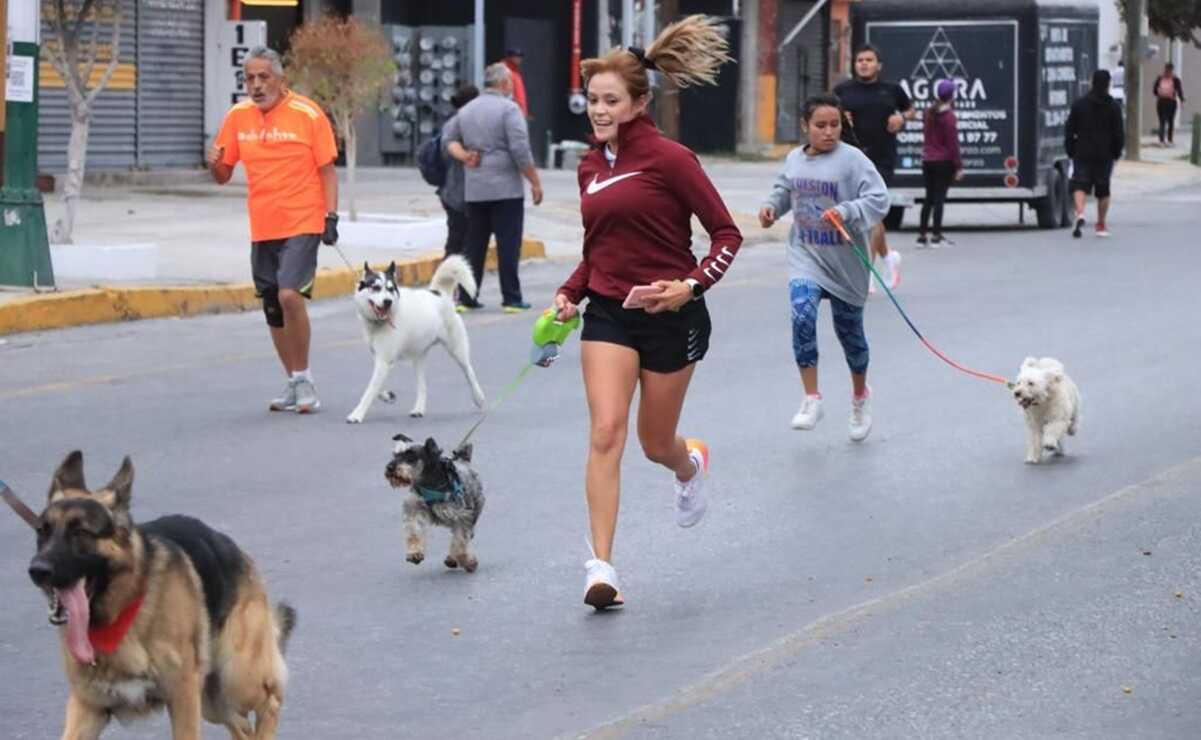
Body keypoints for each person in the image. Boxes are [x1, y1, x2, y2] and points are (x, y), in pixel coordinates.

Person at [552, 15, 741, 610]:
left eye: (611, 100)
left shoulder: (671, 159)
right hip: (609, 314)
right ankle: (601, 567)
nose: (599, 110)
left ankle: (689, 465)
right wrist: (570, 293)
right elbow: (598, 249)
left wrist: (690, 286)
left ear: (639, 103)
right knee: (605, 432)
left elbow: (727, 235)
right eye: (593, 100)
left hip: (672, 317)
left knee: (654, 443)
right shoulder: (589, 166)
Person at [208, 46, 338, 414]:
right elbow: (222, 175)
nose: (256, 85)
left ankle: (305, 377)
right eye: (249, 78)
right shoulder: (237, 117)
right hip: (263, 224)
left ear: (281, 80)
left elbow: (327, 170)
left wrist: (330, 216)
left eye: (263, 77)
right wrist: (213, 163)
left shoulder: (307, 113)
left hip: (304, 219)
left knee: (289, 295)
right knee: (272, 306)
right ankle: (294, 381)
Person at [758, 94, 889, 441]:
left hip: (846, 263)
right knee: (802, 315)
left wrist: (847, 211)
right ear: (805, 126)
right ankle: (812, 398)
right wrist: (771, 208)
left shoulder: (853, 160)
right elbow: (784, 191)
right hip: (807, 256)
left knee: (851, 336)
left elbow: (879, 199)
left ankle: (860, 396)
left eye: (835, 125)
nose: (829, 132)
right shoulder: (794, 159)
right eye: (820, 125)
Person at [444, 63, 543, 313]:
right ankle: (511, 298)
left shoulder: (467, 110)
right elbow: (520, 149)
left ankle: (467, 297)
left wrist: (465, 156)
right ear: (505, 83)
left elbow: (449, 139)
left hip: (475, 189)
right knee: (508, 244)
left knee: (474, 244)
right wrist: (534, 181)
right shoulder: (509, 109)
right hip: (506, 190)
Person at [834, 44, 913, 290]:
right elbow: (826, 114)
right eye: (860, 60)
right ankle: (888, 257)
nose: (864, 64)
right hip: (850, 159)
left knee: (871, 214)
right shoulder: (843, 90)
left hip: (881, 159)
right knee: (861, 216)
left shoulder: (892, 90)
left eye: (869, 60)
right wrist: (840, 118)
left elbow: (911, 111)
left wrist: (901, 117)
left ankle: (865, 272)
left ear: (878, 65)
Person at [1065, 69, 1124, 239]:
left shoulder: (1079, 105)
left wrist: (1070, 149)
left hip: (1082, 151)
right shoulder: (1114, 107)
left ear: (1092, 82)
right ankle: (1101, 224)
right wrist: (1117, 152)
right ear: (1108, 84)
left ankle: (1080, 213)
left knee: (1079, 184)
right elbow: (1119, 133)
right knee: (1103, 190)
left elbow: (1069, 129)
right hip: (1105, 153)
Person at [917, 79, 964, 247]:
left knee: (928, 198)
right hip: (944, 162)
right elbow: (953, 144)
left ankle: (922, 236)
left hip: (927, 160)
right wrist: (958, 166)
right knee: (939, 199)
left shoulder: (927, 113)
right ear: (952, 96)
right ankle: (936, 236)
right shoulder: (949, 117)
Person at [438, 84, 479, 267]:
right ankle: (447, 280)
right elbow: (449, 148)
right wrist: (466, 156)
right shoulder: (458, 123)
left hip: (453, 192)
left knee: (459, 242)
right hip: (458, 193)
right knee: (457, 244)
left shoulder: (454, 122)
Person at [1153, 62, 1186, 147]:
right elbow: (1179, 90)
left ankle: (1161, 141)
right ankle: (1170, 140)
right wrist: (1182, 100)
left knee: (1162, 121)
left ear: (1165, 69)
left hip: (1161, 102)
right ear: (1172, 70)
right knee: (1171, 121)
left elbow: (1154, 91)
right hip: (1171, 102)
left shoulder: (1160, 78)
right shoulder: (1175, 79)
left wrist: (1160, 94)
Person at [503, 48, 529, 118]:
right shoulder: (504, 69)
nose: (519, 59)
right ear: (509, 57)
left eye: (520, 56)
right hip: (510, 111)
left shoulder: (515, 70)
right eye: (516, 56)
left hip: (518, 111)